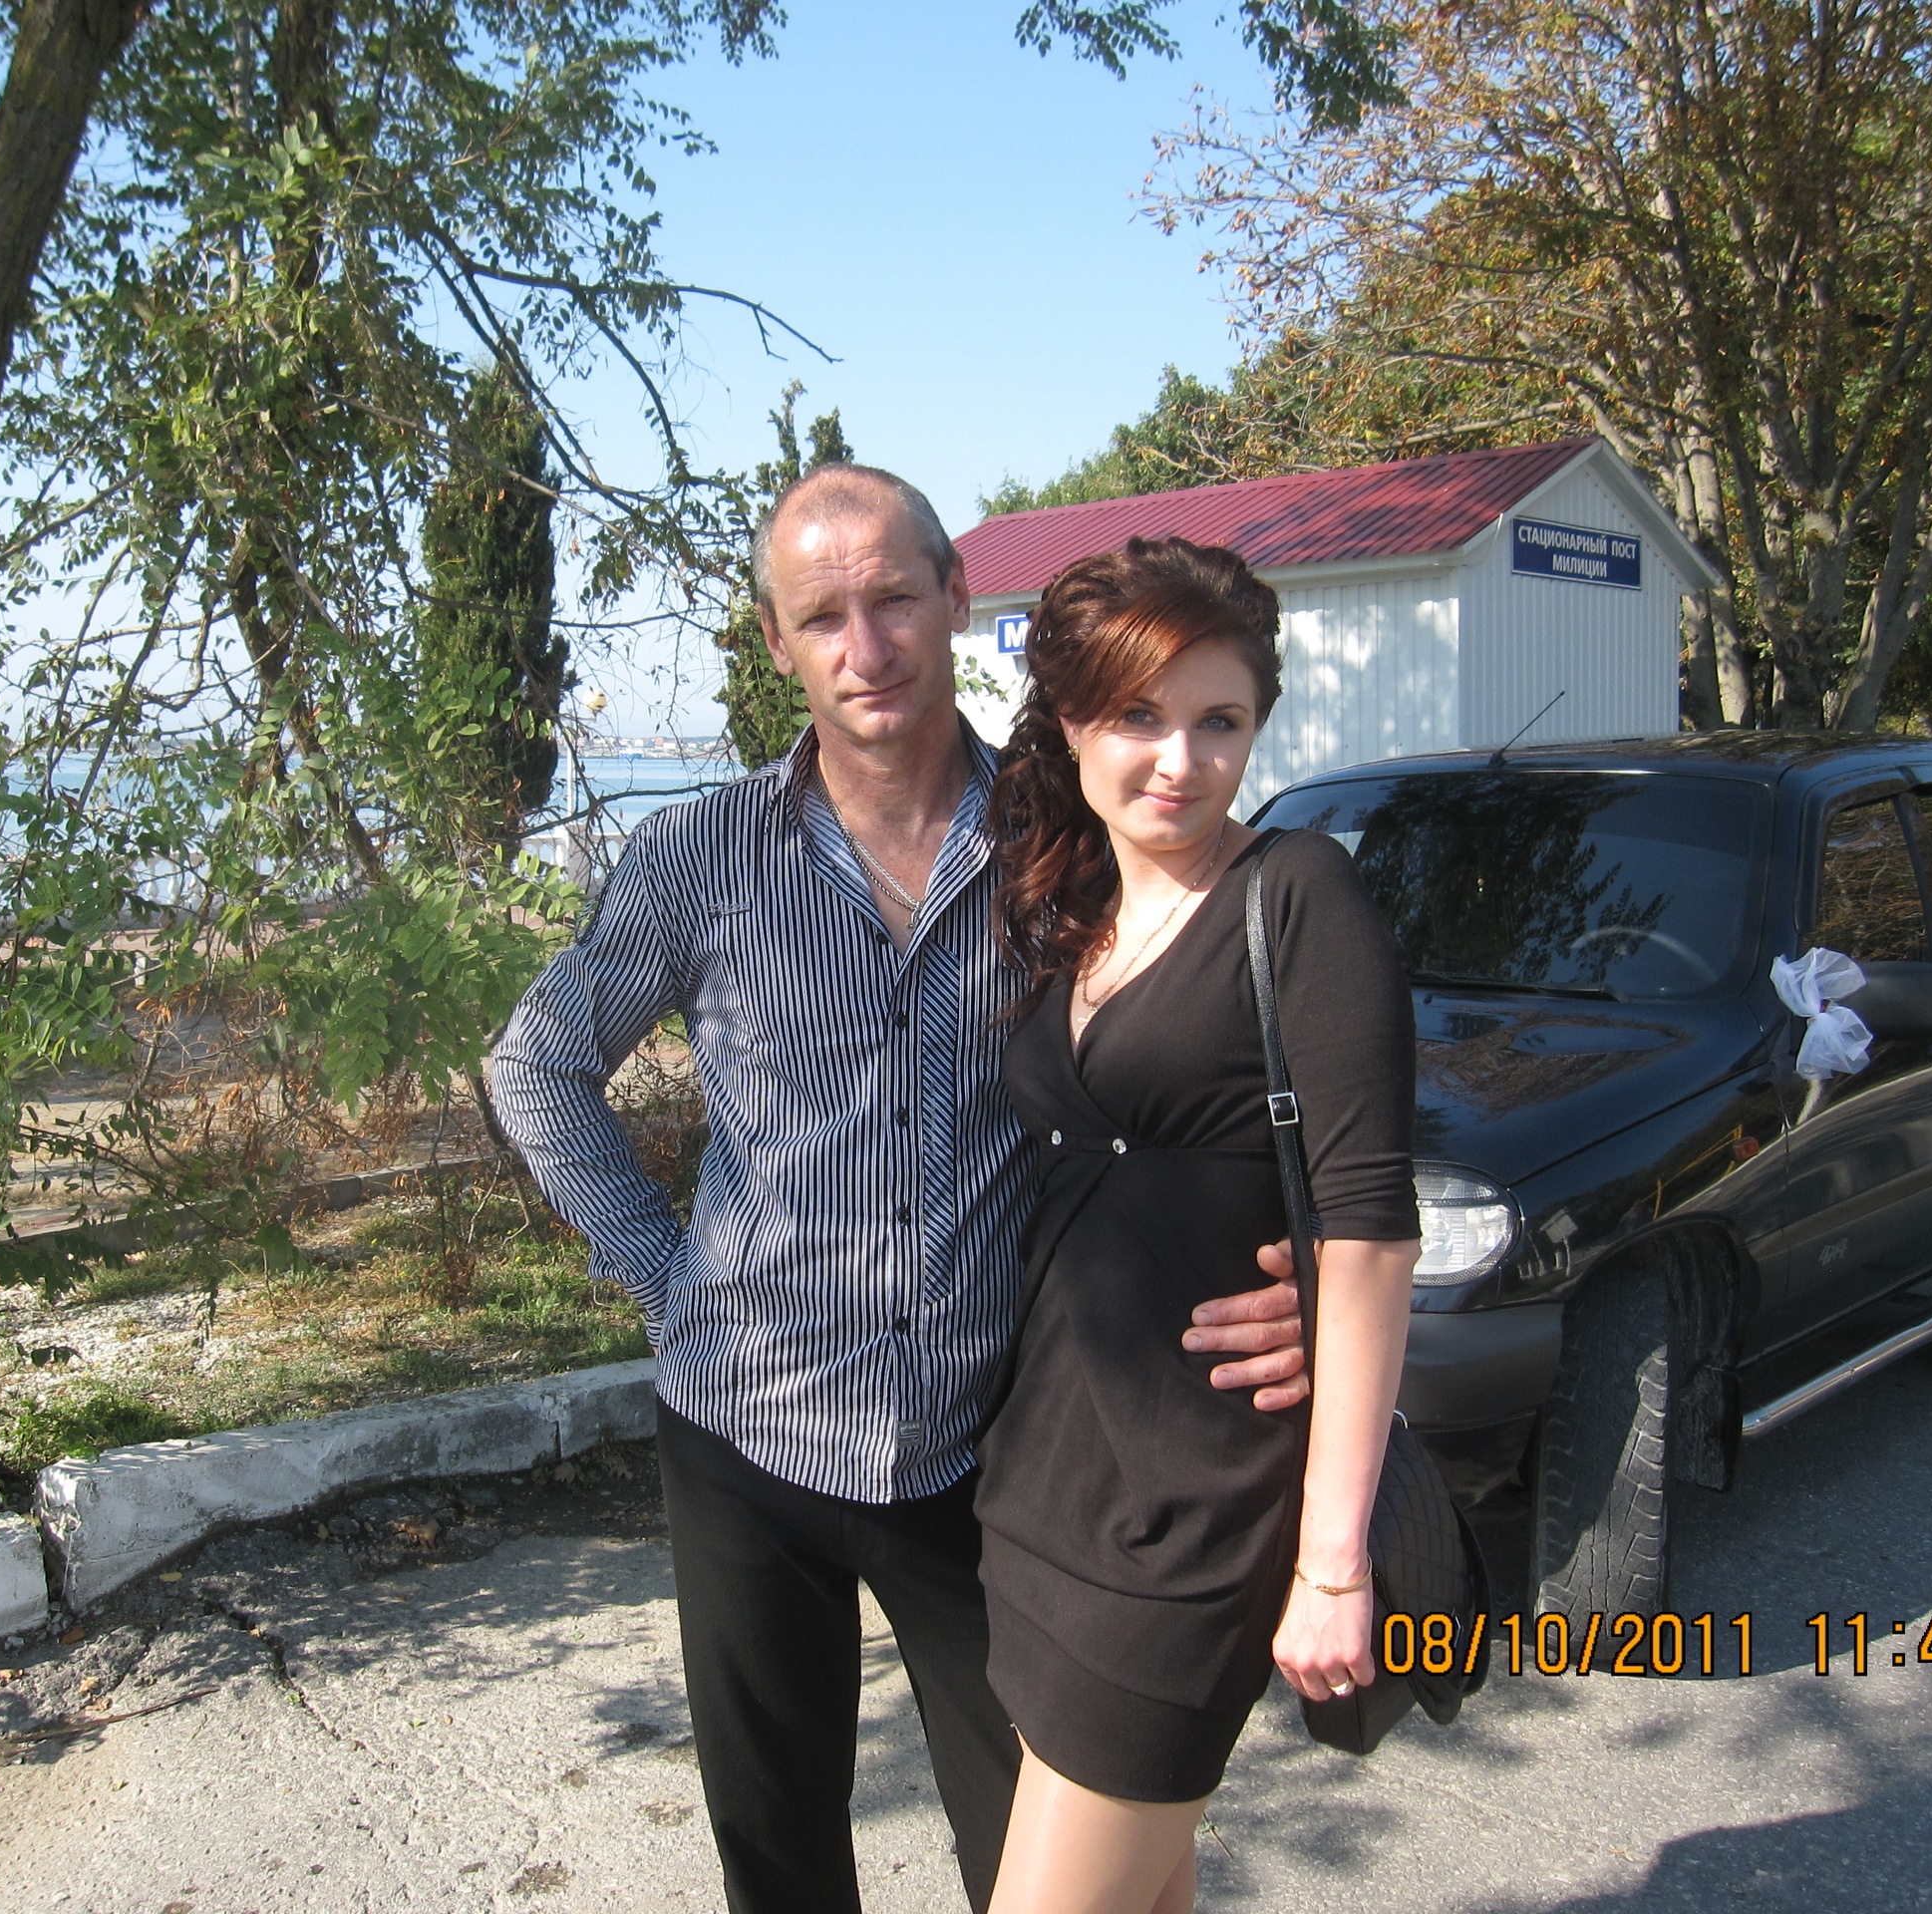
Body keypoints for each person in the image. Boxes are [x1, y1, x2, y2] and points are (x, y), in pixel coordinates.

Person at [483, 467, 1311, 1914]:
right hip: (745, 1441)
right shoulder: (697, 858)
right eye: (822, 617)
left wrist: (1299, 1269)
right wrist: (673, 1289)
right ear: (776, 643)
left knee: (1039, 1863)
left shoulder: (1072, 842)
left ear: (957, 598)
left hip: (993, 1454)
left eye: (893, 600)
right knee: (781, 1866)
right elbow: (536, 1066)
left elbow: (1213, 1070)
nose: (865, 649)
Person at [973, 538, 1420, 1914]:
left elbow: (1366, 1232)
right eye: (1138, 716)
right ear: (1070, 723)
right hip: (1044, 1493)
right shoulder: (1073, 912)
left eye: (1219, 721)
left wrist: (1332, 1565)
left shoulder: (1298, 895)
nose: (1181, 760)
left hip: (1198, 1523)